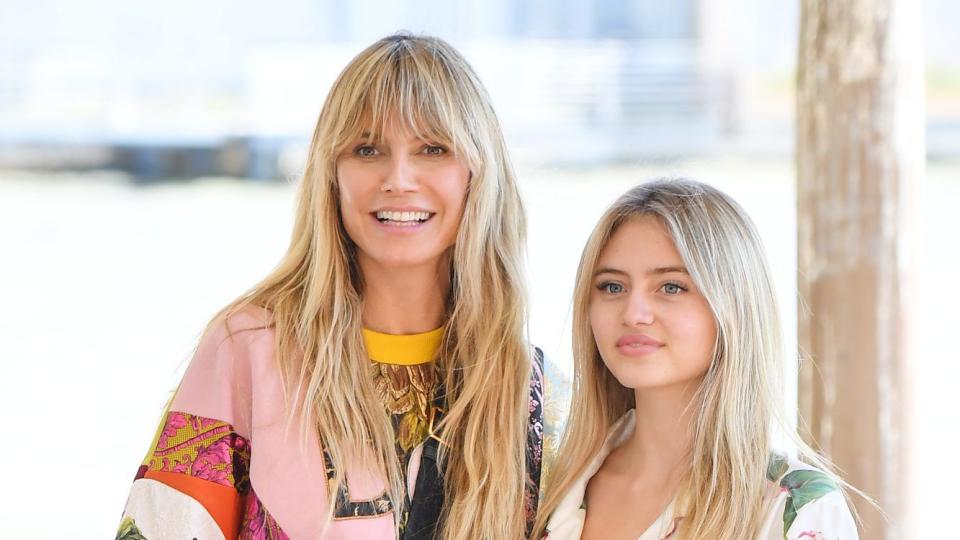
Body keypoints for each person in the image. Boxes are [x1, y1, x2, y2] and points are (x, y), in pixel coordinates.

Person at [117, 33, 566, 540]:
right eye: (367, 149)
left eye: (433, 149)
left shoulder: (533, 394)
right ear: (330, 173)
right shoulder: (250, 349)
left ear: (478, 174)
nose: (399, 178)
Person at [533, 179, 859, 540]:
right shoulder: (553, 477)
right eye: (613, 286)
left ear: (732, 305)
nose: (634, 313)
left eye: (671, 287)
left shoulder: (795, 509)